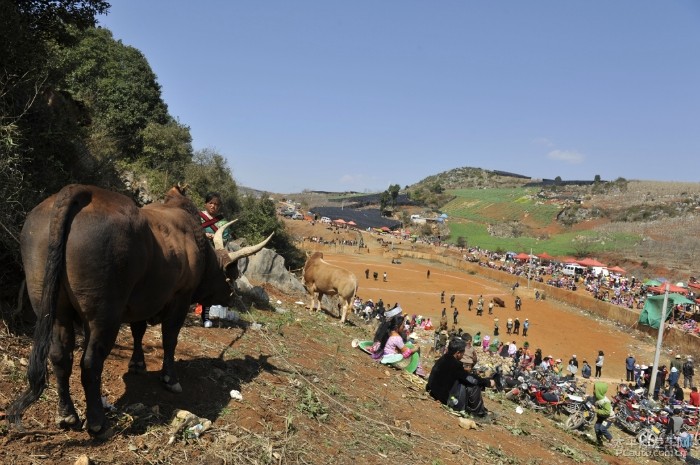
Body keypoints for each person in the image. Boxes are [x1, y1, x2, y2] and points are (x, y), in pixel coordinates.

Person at [426, 338, 497, 420]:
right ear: (458, 353)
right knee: (474, 386)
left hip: (433, 392)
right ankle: (480, 414)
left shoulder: (443, 358)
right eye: (463, 353)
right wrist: (487, 382)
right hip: (445, 399)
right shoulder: (455, 364)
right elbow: (470, 379)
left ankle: (478, 410)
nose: (463, 355)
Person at [199, 192, 230, 328]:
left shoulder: (223, 222)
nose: (213, 206)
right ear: (205, 204)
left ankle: (205, 316)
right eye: (211, 203)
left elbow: (226, 238)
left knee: (208, 286)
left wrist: (216, 238)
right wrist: (203, 234)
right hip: (197, 252)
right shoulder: (197, 217)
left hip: (213, 257)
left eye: (216, 204)